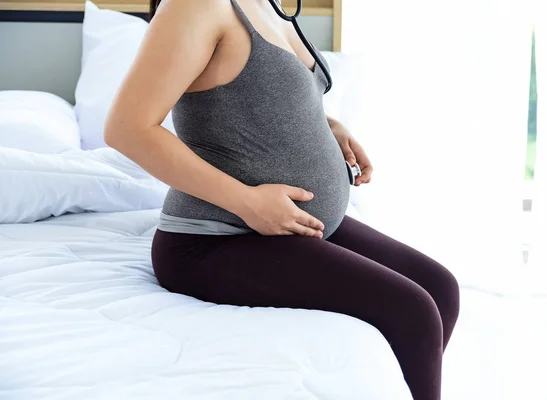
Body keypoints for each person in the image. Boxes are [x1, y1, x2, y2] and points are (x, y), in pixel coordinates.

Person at [104, 0, 460, 399]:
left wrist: (328, 127)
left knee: (439, 287)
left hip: (292, 226)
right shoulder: (196, 6)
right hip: (215, 240)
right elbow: (126, 129)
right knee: (412, 311)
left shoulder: (268, 3)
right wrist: (244, 201)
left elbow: (259, 96)